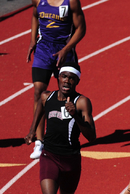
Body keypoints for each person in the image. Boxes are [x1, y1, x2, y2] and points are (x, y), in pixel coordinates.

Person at [31, 62, 96, 194]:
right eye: (64, 76)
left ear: (77, 81)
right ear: (57, 78)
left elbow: (92, 136)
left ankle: (64, 189)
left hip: (71, 161)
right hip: (49, 156)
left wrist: (75, 114)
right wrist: (33, 132)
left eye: (71, 78)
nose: (67, 80)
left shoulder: (82, 102)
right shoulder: (46, 97)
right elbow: (40, 112)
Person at [25, 0, 87, 160]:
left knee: (67, 93)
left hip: (64, 51)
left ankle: (69, 135)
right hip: (43, 51)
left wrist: (66, 49)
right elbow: (34, 15)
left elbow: (81, 28)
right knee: (38, 91)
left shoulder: (71, 2)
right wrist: (33, 39)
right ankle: (39, 141)